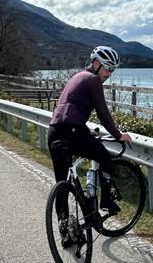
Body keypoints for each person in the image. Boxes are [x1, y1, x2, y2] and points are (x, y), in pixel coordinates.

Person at [48, 45, 133, 219]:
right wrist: (119, 135)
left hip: (54, 131)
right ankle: (106, 201)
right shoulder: (93, 80)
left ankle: (64, 230)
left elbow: (68, 109)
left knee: (62, 183)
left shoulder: (77, 76)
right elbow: (103, 114)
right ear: (96, 63)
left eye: (113, 70)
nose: (109, 73)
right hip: (72, 133)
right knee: (105, 157)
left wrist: (85, 130)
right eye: (108, 68)